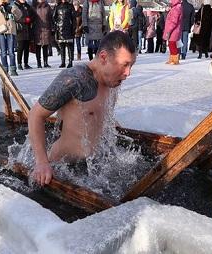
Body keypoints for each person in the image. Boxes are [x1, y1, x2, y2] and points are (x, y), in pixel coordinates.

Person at [28, 31, 136, 186]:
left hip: (92, 167)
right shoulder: (75, 79)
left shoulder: (113, 81)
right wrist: (42, 163)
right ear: (104, 57)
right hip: (61, 168)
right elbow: (35, 115)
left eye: (131, 65)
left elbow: (99, 115)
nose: (128, 73)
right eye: (124, 64)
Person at [0, 0, 22, 76]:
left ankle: (13, 69)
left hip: (10, 30)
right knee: (3, 52)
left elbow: (19, 16)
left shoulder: (12, 4)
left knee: (11, 52)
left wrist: (13, 9)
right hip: (1, 30)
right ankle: (5, 69)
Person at [53, 0, 77, 68]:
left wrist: (73, 28)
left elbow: (74, 19)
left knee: (70, 46)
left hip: (68, 28)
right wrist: (57, 24)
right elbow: (54, 17)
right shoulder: (57, 6)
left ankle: (70, 62)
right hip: (60, 29)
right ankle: (63, 62)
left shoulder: (70, 6)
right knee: (62, 46)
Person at [14, 0, 35, 70]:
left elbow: (33, 15)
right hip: (20, 29)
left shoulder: (28, 6)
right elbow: (15, 18)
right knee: (20, 48)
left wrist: (30, 19)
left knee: (26, 48)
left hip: (28, 29)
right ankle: (19, 64)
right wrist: (24, 20)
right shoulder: (16, 6)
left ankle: (26, 63)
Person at [33, 0, 53, 68]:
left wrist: (51, 27)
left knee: (45, 46)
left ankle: (45, 62)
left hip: (46, 29)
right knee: (38, 47)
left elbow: (51, 18)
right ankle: (39, 63)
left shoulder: (47, 7)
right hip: (37, 29)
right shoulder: (34, 7)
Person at [163, 0, 182, 65]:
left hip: (174, 30)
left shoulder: (176, 8)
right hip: (173, 29)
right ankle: (172, 59)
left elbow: (174, 21)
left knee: (172, 44)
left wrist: (169, 29)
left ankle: (175, 59)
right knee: (171, 44)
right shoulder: (175, 7)